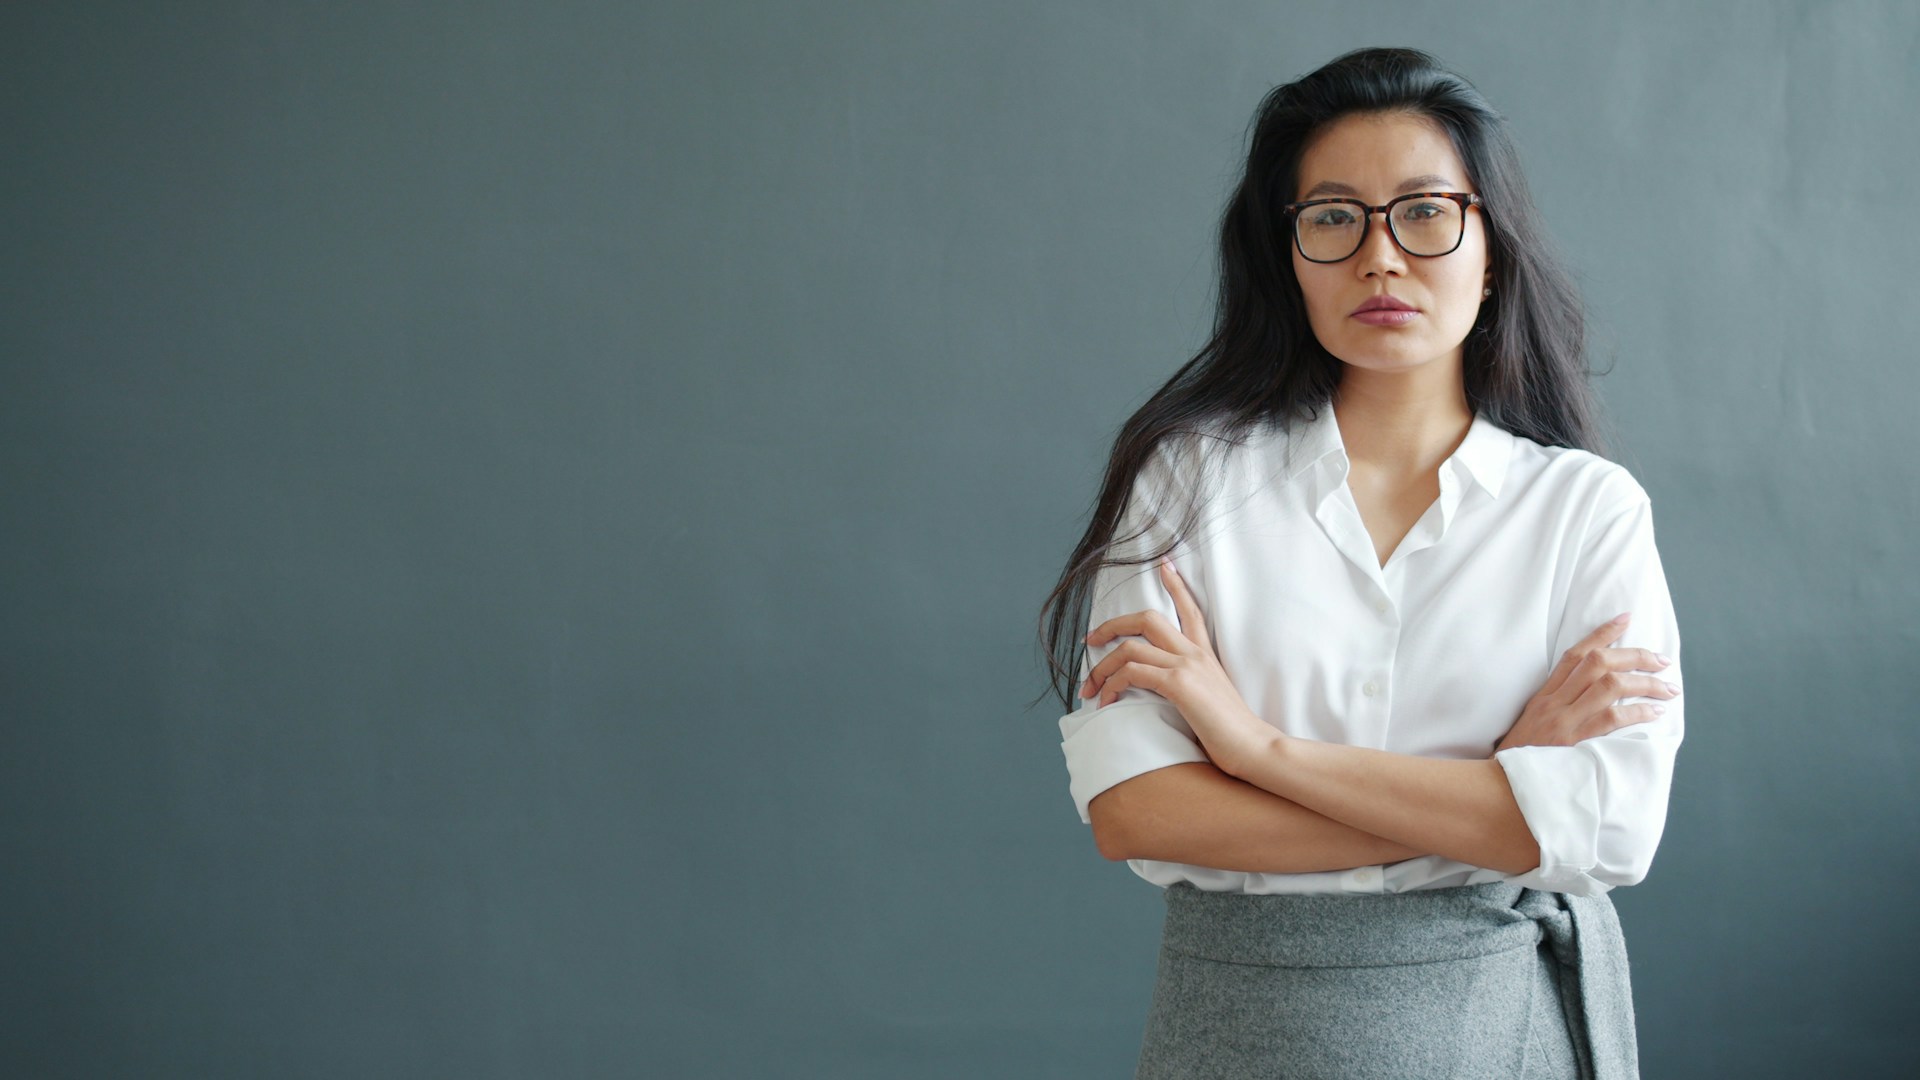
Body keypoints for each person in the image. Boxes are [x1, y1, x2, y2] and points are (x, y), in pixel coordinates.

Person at [1035, 47, 1683, 1079]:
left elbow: (1610, 832)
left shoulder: (1586, 513)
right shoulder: (1191, 484)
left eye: (1425, 212)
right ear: (1288, 258)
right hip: (1239, 1028)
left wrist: (1253, 753)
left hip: (1496, 1031)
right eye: (1333, 218)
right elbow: (1137, 811)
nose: (1380, 257)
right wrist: (1491, 795)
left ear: (1492, 251)